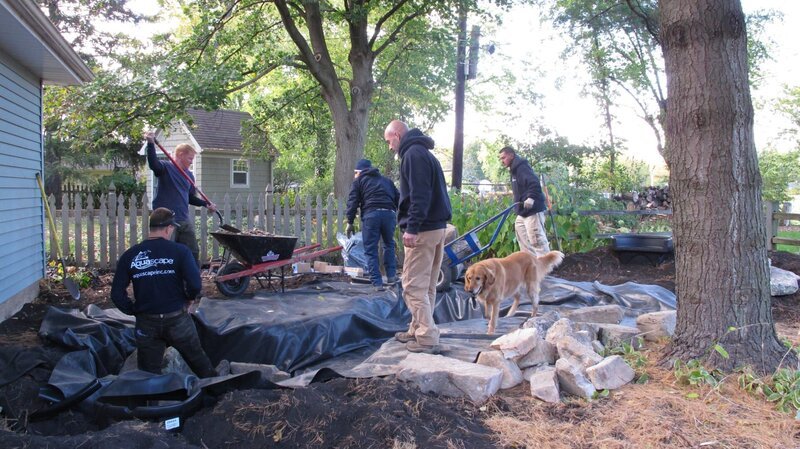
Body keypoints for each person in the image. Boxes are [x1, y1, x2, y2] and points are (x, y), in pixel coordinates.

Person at [110, 207, 217, 378]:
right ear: (169, 229)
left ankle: (150, 402)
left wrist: (134, 310)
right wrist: (189, 299)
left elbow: (116, 294)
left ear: (151, 228)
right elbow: (195, 284)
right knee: (200, 363)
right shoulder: (180, 252)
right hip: (177, 319)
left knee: (148, 374)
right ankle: (216, 394)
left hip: (147, 323)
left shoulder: (130, 255)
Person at [383, 120, 452, 354]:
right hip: (436, 228)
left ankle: (427, 336)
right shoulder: (424, 153)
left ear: (397, 134)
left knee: (412, 286)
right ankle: (416, 328)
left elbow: (419, 195)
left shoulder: (413, 155)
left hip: (422, 230)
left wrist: (412, 227)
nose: (390, 147)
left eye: (389, 140)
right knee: (428, 285)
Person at [145, 131, 217, 267]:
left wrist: (205, 204)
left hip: (183, 219)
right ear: (180, 155)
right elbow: (153, 165)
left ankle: (192, 282)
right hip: (165, 221)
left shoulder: (189, 176)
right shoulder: (166, 167)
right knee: (166, 254)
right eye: (190, 158)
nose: (191, 162)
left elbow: (190, 197)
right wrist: (150, 144)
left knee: (192, 252)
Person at [345, 158, 400, 289]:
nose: (354, 176)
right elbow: (399, 199)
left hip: (371, 215)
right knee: (389, 245)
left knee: (371, 250)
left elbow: (353, 202)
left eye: (355, 173)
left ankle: (377, 283)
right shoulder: (387, 181)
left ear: (359, 172)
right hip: (389, 214)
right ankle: (391, 276)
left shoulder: (359, 182)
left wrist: (350, 222)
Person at [499, 146, 551, 256]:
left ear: (511, 155)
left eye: (503, 158)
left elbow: (534, 183)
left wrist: (531, 198)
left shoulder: (522, 167)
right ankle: (530, 266)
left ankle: (546, 267)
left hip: (532, 210)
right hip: (522, 212)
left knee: (536, 240)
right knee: (523, 240)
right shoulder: (513, 170)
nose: (502, 161)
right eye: (501, 159)